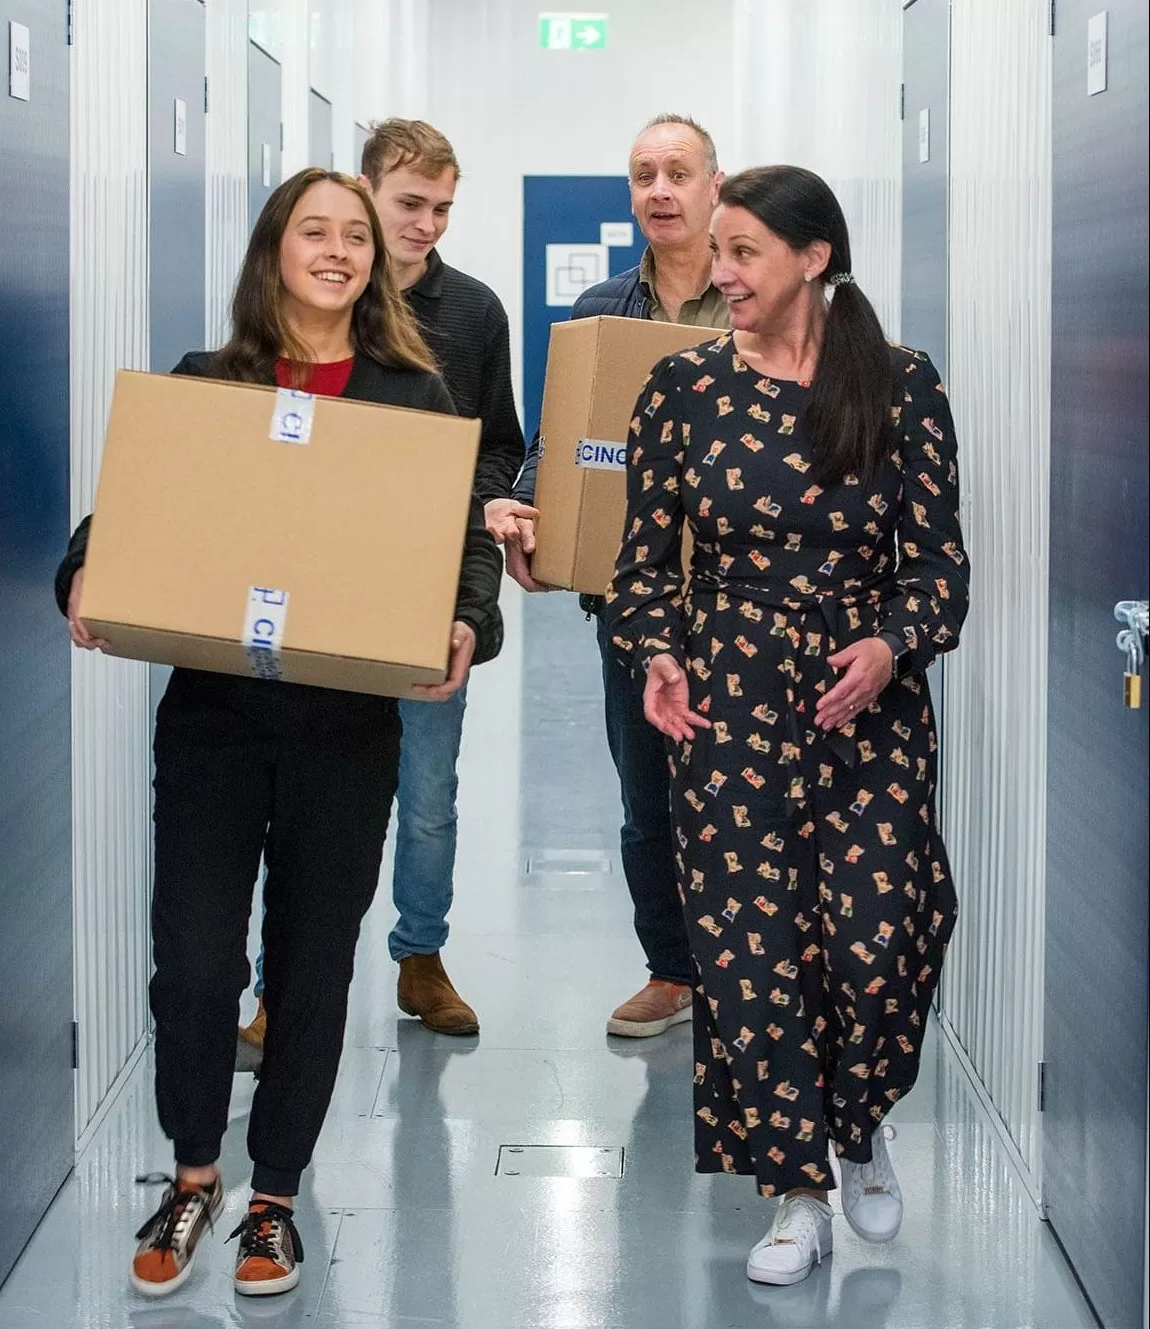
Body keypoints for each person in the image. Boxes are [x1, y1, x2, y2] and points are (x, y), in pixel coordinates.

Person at [56, 168, 503, 1299]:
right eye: (317, 231)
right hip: (214, 719)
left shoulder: (414, 396)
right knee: (197, 967)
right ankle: (193, 1175)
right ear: (274, 251)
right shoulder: (211, 385)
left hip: (346, 728)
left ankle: (274, 1201)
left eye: (357, 236)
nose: (341, 250)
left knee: (311, 967)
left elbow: (465, 543)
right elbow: (124, 512)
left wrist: (468, 618)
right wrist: (82, 575)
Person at [605, 164, 968, 1286]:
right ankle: (794, 1188)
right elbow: (641, 566)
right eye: (719, 251)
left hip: (867, 707)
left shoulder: (901, 386)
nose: (722, 273)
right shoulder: (681, 392)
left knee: (879, 933)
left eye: (745, 251)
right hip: (731, 702)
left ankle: (857, 1123)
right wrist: (658, 652)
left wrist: (891, 646)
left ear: (813, 257)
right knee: (751, 957)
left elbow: (939, 567)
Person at [236, 121, 528, 1053]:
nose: (427, 225)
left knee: (428, 787)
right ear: (362, 195)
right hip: (312, 582)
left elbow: (500, 447)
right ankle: (284, 985)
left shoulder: (475, 314)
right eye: (409, 205)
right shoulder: (292, 308)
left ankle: (420, 955)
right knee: (298, 790)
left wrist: (470, 513)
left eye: (444, 209)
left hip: (429, 582)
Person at [509, 114, 731, 1039]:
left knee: (748, 792)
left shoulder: (757, 294)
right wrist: (529, 511)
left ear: (717, 184)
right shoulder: (604, 307)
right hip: (636, 599)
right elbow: (560, 438)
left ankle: (749, 970)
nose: (660, 191)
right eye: (643, 175)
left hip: (748, 598)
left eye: (678, 172)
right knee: (649, 795)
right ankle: (672, 971)